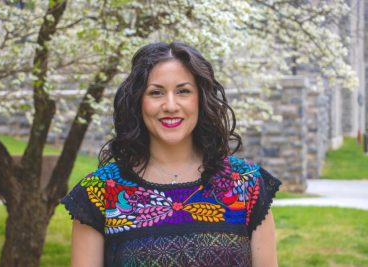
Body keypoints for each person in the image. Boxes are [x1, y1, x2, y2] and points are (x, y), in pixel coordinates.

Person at [61, 41, 281, 267]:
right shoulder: (99, 192)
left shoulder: (247, 185)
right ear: (138, 102)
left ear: (201, 99)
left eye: (183, 91)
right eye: (156, 93)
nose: (170, 105)